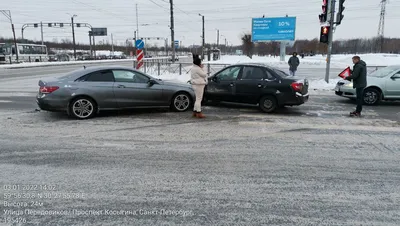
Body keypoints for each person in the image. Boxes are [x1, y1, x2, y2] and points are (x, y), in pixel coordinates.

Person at [190, 54, 208, 118]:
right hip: (199, 84)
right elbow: (204, 75)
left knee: (197, 98)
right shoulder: (197, 69)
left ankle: (195, 111)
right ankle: (199, 112)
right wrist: (203, 68)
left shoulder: (193, 68)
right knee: (199, 99)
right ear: (198, 63)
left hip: (195, 84)